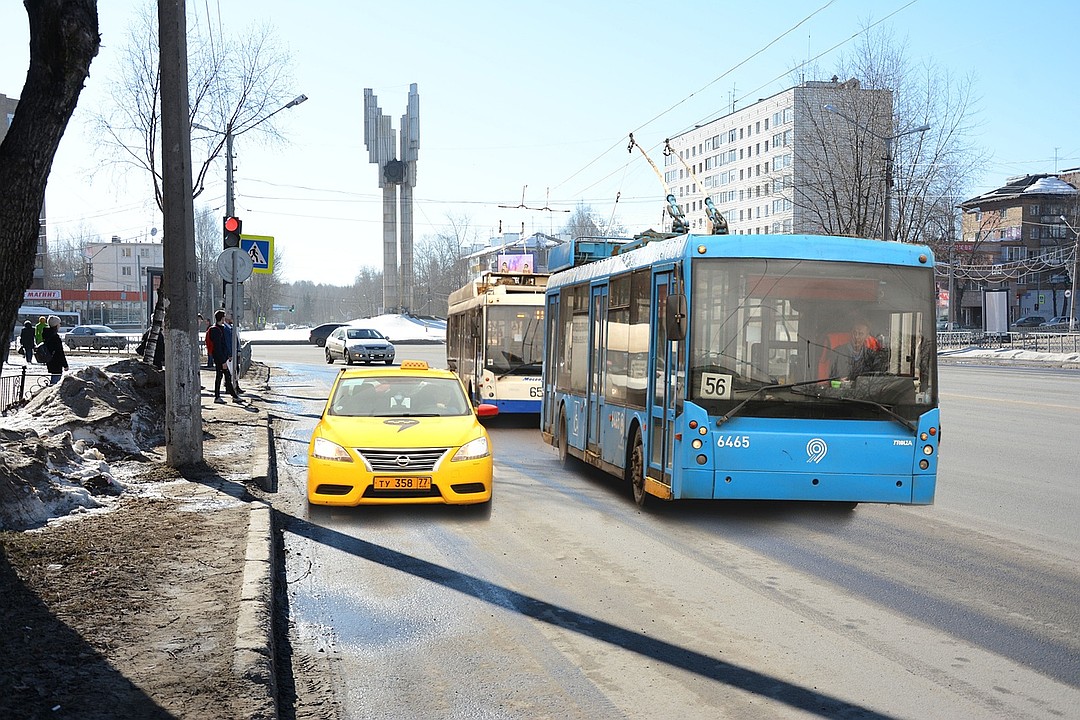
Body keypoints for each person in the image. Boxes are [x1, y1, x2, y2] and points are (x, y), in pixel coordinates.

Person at [207, 310, 241, 403]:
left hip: (222, 358)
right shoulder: (215, 330)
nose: (225, 318)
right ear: (221, 318)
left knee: (223, 376)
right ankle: (230, 396)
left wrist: (228, 355)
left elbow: (223, 344)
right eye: (224, 317)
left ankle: (226, 396)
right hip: (219, 359)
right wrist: (223, 362)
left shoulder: (220, 328)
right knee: (224, 377)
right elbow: (218, 347)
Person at [41, 315, 69, 384]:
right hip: (56, 361)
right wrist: (65, 365)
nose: (60, 325)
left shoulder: (46, 334)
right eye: (59, 323)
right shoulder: (55, 337)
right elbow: (60, 352)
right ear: (56, 325)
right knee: (55, 382)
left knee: (54, 377)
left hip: (49, 359)